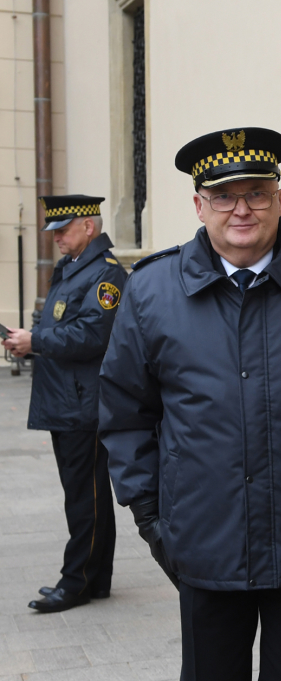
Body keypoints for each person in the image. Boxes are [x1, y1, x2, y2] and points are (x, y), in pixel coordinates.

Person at [99, 127, 281, 681]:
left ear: (280, 199)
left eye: (256, 192)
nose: (241, 209)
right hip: (203, 545)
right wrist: (152, 518)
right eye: (223, 195)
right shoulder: (152, 291)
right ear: (199, 204)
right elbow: (126, 413)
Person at [3, 195, 125, 613]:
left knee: (83, 496)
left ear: (88, 227)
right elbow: (58, 325)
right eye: (53, 231)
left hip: (82, 404)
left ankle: (76, 582)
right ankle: (96, 579)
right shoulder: (72, 271)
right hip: (65, 399)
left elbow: (94, 335)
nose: (55, 238)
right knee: (87, 493)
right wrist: (29, 344)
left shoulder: (106, 276)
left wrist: (35, 341)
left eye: (63, 229)